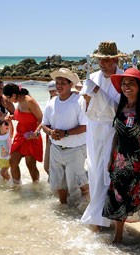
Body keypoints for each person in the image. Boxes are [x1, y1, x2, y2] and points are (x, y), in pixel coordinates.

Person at [102, 68, 140, 243]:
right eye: (124, 83)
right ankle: (118, 236)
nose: (126, 86)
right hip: (121, 159)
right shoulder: (122, 105)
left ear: (139, 86)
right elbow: (117, 133)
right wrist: (111, 157)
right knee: (118, 195)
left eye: (131, 83)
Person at [80, 41, 125, 230]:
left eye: (106, 60)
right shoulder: (93, 77)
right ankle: (98, 218)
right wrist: (88, 100)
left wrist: (97, 93)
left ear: (115, 59)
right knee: (94, 172)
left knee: (107, 174)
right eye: (100, 60)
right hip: (93, 130)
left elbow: (119, 109)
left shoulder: (124, 78)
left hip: (112, 131)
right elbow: (84, 108)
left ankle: (105, 219)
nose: (103, 64)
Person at [42, 68, 89, 206]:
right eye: (57, 82)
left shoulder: (79, 101)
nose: (59, 85)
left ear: (70, 85)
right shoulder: (51, 102)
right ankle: (64, 207)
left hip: (75, 149)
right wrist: (50, 132)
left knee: (78, 180)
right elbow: (44, 124)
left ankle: (87, 205)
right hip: (56, 148)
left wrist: (66, 133)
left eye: (63, 82)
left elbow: (85, 126)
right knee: (59, 183)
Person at [3, 83, 43, 186]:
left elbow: (42, 118)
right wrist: (12, 117)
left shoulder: (29, 101)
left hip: (31, 136)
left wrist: (37, 132)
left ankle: (36, 187)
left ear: (14, 94)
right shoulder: (19, 102)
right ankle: (17, 187)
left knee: (30, 165)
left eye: (9, 97)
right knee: (13, 162)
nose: (9, 100)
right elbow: (23, 116)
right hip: (20, 136)